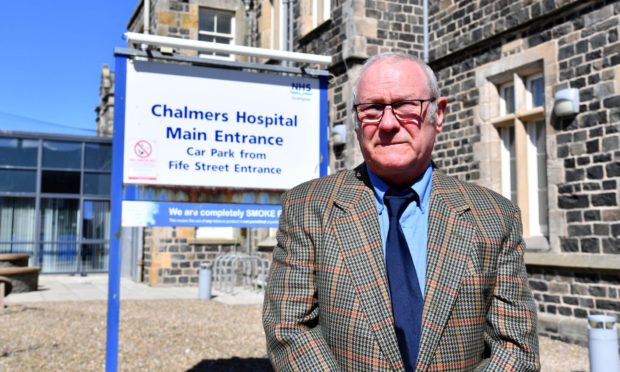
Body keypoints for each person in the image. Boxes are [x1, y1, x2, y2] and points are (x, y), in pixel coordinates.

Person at [263, 52, 540, 371]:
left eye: (406, 105)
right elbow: (290, 329)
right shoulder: (308, 207)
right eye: (373, 108)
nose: (389, 123)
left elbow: (515, 346)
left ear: (439, 113)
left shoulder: (494, 216)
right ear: (356, 121)